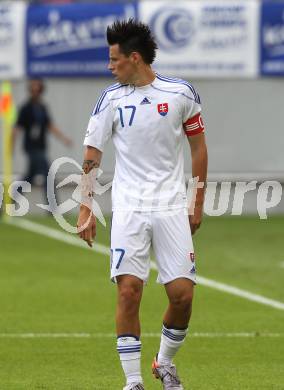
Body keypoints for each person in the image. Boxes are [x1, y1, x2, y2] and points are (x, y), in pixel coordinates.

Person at [77, 19, 208, 390]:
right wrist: (86, 207)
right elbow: (92, 155)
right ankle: (133, 381)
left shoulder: (181, 94)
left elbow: (199, 149)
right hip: (130, 209)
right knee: (129, 289)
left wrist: (195, 201)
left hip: (171, 208)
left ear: (135, 58)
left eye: (114, 59)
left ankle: (164, 363)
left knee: (182, 296)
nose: (109, 66)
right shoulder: (110, 99)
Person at [13, 79, 71, 201]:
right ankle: (53, 206)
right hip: (31, 148)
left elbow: (50, 125)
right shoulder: (26, 108)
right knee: (48, 175)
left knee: (29, 177)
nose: (35, 93)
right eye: (33, 90)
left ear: (41, 91)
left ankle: (10, 200)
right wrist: (11, 145)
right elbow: (17, 128)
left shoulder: (43, 108)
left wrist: (64, 139)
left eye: (38, 90)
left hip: (41, 147)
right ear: (30, 91)